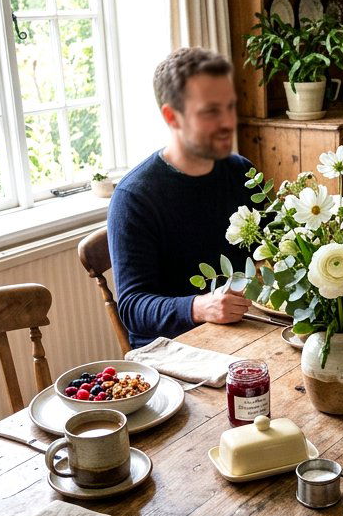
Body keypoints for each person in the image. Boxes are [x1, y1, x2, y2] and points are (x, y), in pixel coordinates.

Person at [109, 47, 254, 347]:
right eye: (210, 111)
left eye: (228, 107)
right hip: (174, 350)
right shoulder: (134, 197)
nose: (227, 122)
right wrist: (199, 307)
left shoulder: (242, 172)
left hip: (246, 332)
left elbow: (275, 250)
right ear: (171, 116)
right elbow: (133, 307)